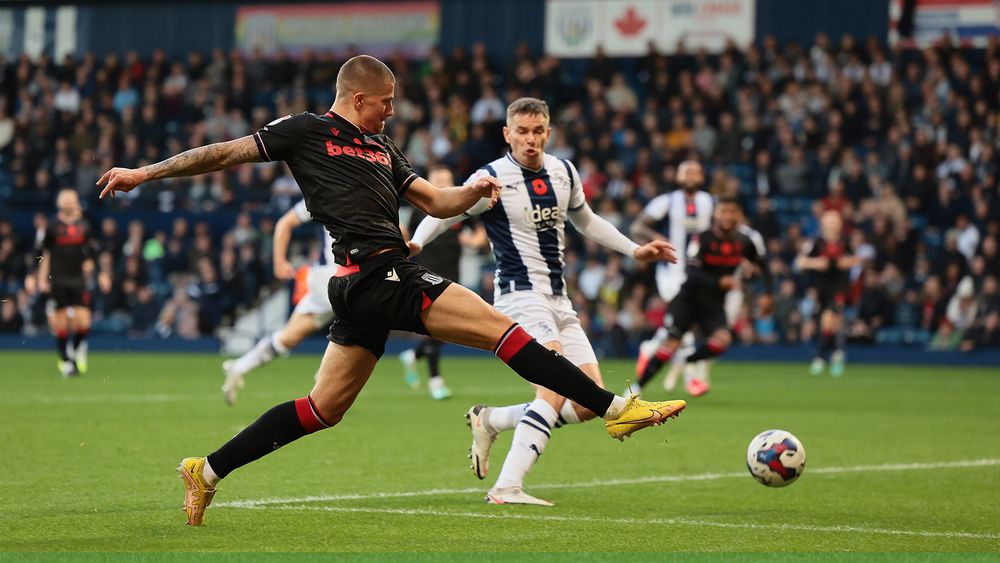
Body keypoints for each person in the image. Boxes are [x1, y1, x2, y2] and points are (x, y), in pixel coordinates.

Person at [97, 55, 687, 527]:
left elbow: (436, 201)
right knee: (504, 332)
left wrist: (476, 192)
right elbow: (225, 153)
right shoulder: (306, 131)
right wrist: (146, 173)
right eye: (386, 102)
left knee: (321, 409)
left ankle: (206, 470)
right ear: (359, 98)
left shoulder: (383, 149)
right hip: (377, 274)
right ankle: (615, 408)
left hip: (363, 284)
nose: (392, 110)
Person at [409, 97, 679, 506]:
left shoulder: (563, 171)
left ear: (548, 132)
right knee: (552, 386)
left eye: (538, 132)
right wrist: (416, 241)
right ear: (507, 134)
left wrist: (634, 249)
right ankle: (506, 488)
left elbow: (585, 219)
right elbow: (445, 208)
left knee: (588, 401)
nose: (530, 140)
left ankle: (491, 419)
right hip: (519, 295)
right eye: (522, 132)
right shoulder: (493, 178)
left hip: (559, 299)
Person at [635, 197, 770, 390]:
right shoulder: (703, 238)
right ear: (716, 214)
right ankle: (637, 389)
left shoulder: (745, 242)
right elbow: (692, 272)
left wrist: (767, 293)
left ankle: (686, 359)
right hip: (688, 299)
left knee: (723, 340)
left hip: (714, 304)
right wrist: (719, 282)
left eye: (732, 212)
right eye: (723, 211)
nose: (727, 216)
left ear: (739, 215)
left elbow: (763, 267)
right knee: (669, 346)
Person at [220, 197, 337, 405]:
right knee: (364, 318)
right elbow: (285, 222)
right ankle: (326, 375)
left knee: (289, 337)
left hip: (327, 279)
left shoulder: (349, 188)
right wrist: (278, 262)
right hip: (336, 277)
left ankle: (239, 367)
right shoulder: (325, 191)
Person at [630, 161, 714, 395]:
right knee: (685, 318)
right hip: (671, 272)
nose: (690, 175)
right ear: (677, 176)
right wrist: (656, 237)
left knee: (681, 322)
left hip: (699, 273)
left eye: (695, 171)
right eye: (686, 170)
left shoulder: (709, 202)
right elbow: (638, 227)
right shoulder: (666, 201)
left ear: (702, 176)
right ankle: (692, 378)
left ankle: (650, 348)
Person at [397, 164, 464, 400]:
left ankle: (413, 357)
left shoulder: (461, 209)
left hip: (453, 274)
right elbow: (405, 232)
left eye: (448, 179)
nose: (444, 184)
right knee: (438, 328)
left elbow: (475, 234)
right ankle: (436, 381)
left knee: (445, 331)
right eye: (439, 180)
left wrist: (475, 240)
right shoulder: (421, 210)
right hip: (427, 274)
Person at [795, 210, 858, 376]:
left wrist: (847, 262)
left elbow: (854, 259)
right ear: (823, 224)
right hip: (821, 287)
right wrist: (816, 263)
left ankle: (820, 357)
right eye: (829, 221)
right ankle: (837, 352)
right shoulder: (815, 242)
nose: (833, 225)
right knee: (831, 324)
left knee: (828, 319)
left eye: (835, 221)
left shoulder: (845, 242)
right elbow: (800, 262)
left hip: (839, 286)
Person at [38, 189, 94, 377]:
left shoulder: (84, 225)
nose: (69, 203)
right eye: (66, 200)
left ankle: (75, 350)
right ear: (60, 203)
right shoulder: (52, 227)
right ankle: (66, 360)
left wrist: (92, 266)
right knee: (61, 323)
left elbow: (89, 251)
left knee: (84, 322)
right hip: (58, 279)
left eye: (72, 200)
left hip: (78, 279)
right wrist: (41, 279)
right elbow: (46, 254)